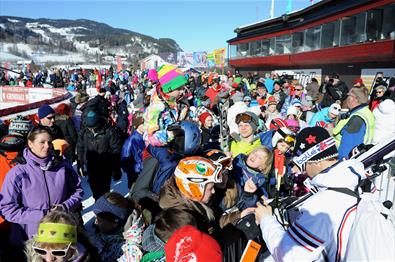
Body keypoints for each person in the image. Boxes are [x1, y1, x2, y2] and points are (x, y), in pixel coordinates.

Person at [255, 126, 364, 261]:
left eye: (303, 164)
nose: (304, 171)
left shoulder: (324, 203)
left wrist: (266, 219)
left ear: (316, 162)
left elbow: (290, 256)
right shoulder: (358, 180)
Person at [0, 126, 83, 247]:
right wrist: (42, 214)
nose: (47, 146)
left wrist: (65, 207)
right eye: (42, 142)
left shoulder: (62, 166)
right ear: (30, 143)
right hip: (31, 237)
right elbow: (7, 209)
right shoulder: (18, 172)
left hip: (61, 231)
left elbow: (78, 191)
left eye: (49, 142)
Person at [159, 156, 223, 234]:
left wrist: (239, 216)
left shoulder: (190, 202)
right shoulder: (184, 219)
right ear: (194, 189)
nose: (213, 191)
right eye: (210, 188)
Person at [77, 111, 121, 200]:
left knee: (104, 191)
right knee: (95, 190)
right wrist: (80, 163)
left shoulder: (109, 131)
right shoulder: (84, 131)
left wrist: (116, 169)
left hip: (105, 167)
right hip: (90, 165)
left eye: (94, 128)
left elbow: (116, 150)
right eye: (90, 128)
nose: (92, 130)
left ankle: (104, 206)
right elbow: (80, 146)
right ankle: (98, 203)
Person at [25, 210, 100, 262]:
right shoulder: (33, 257)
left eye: (58, 252)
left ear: (73, 248)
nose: (48, 259)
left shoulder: (91, 258)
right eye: (41, 251)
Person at [89, 192, 142, 262]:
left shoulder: (126, 246)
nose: (95, 222)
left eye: (100, 220)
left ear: (115, 222)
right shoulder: (107, 233)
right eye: (95, 217)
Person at [143, 65, 187, 147]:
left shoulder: (172, 100)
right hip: (160, 152)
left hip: (173, 146)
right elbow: (148, 138)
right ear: (169, 88)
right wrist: (173, 133)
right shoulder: (156, 107)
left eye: (183, 88)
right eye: (179, 88)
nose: (182, 91)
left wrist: (182, 118)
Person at [333, 87, 375, 159]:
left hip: (344, 162)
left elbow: (348, 149)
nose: (346, 99)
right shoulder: (365, 112)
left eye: (348, 96)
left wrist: (339, 164)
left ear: (354, 98)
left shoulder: (357, 119)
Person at [121, 113, 145, 189]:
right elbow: (125, 164)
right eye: (143, 123)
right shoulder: (130, 141)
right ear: (137, 124)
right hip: (136, 177)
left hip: (146, 174)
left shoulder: (148, 137)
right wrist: (139, 167)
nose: (146, 125)